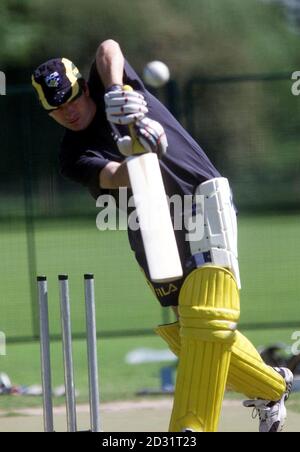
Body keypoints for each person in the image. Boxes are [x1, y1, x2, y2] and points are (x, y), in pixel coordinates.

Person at [32, 39, 293, 432]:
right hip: (150, 228)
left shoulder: (110, 89)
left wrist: (119, 92)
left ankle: (189, 431)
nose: (68, 112)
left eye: (72, 99)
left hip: (199, 199)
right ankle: (273, 385)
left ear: (85, 88)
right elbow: (117, 177)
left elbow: (107, 48)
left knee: (207, 319)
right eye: (56, 109)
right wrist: (143, 150)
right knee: (189, 336)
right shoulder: (73, 155)